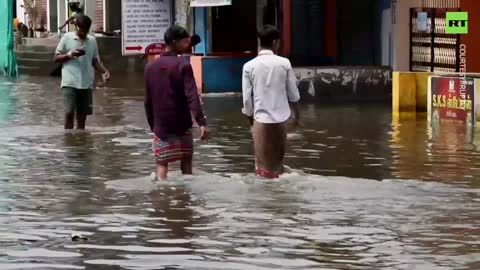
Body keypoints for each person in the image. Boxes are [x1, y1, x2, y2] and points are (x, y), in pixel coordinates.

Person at [144, 25, 209, 180]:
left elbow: (148, 100)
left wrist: (153, 125)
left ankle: (162, 197)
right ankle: (185, 201)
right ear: (174, 42)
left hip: (161, 127)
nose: (187, 45)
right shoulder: (183, 65)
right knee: (187, 165)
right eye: (184, 42)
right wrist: (202, 123)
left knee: (161, 165)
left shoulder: (150, 67)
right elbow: (192, 96)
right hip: (182, 125)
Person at [242, 25, 301, 179]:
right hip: (281, 119)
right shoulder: (285, 63)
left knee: (262, 168)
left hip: (260, 120)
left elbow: (247, 100)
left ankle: (265, 201)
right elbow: (293, 95)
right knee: (277, 167)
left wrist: (251, 121)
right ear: (276, 42)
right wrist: (297, 116)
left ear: (259, 42)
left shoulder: (248, 66)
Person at [53, 15, 110, 129]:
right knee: (69, 113)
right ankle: (69, 141)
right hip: (69, 82)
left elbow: (94, 61)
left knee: (82, 116)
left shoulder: (92, 41)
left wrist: (104, 72)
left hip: (86, 83)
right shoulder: (67, 38)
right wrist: (70, 54)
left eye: (85, 30)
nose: (83, 33)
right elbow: (55, 58)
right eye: (81, 30)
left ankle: (80, 142)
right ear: (76, 27)